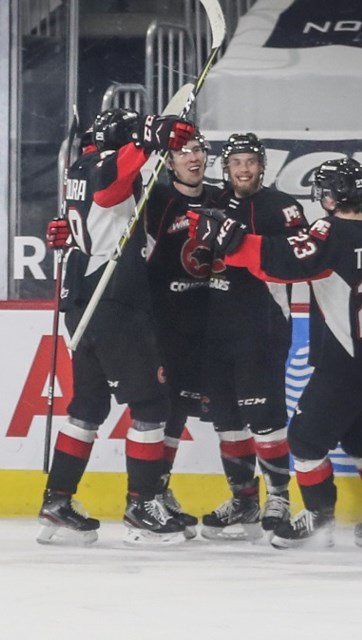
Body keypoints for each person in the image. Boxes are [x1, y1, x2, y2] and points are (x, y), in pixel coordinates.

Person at [188, 138, 362, 548]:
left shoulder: (331, 234)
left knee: (305, 440)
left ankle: (319, 520)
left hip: (348, 358)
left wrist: (228, 236)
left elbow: (277, 263)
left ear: (330, 198)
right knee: (361, 435)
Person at [37, 107, 196, 546]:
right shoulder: (105, 165)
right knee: (151, 405)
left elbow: (96, 217)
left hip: (82, 304)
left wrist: (153, 139)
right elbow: (110, 188)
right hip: (114, 306)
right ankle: (142, 505)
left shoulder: (79, 166)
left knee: (87, 406)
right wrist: (151, 136)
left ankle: (57, 502)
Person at [197, 133, 308, 542]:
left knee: (265, 419)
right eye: (237, 162)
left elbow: (301, 260)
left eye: (251, 162)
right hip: (215, 329)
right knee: (227, 422)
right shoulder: (211, 203)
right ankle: (243, 499)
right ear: (225, 167)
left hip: (262, 327)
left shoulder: (284, 208)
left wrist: (246, 243)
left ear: (263, 166)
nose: (244, 169)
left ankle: (279, 496)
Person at [143, 128, 223, 539]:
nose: (193, 158)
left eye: (198, 151)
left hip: (208, 322)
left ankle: (162, 486)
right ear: (169, 161)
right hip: (165, 323)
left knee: (193, 409)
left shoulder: (219, 198)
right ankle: (150, 492)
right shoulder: (155, 200)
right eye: (183, 152)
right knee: (165, 409)